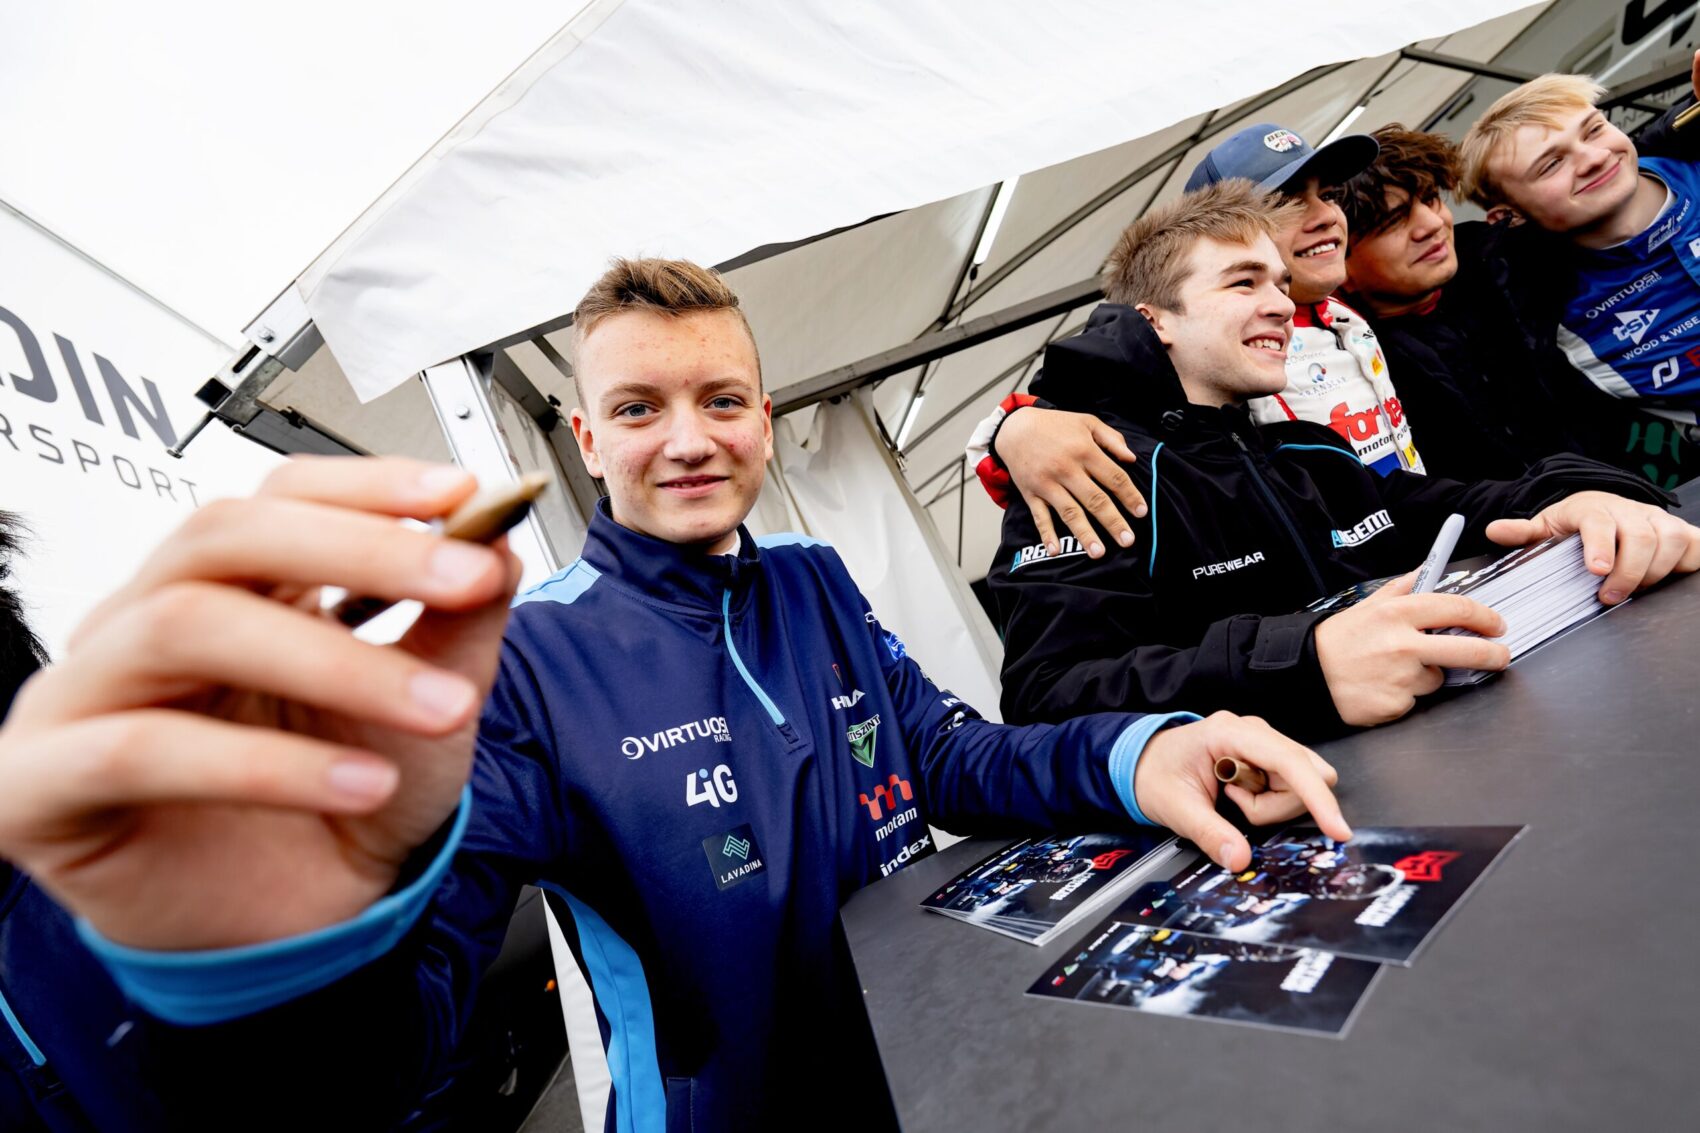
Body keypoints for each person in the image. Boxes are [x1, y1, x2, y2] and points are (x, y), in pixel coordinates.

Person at [0, 259, 1350, 1131]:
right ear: (586, 439)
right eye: (640, 408)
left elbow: (953, 754)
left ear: (764, 416)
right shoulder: (527, 658)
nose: (690, 440)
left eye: (722, 399)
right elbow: (413, 1026)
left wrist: (1140, 753)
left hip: (930, 1074)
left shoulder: (812, 580)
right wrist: (273, 942)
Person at [985, 181, 1699, 736]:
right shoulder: (1092, 471)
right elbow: (1047, 693)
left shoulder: (1307, 452)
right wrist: (1309, 659)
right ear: (1155, 320)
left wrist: (1578, 496)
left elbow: (1454, 503)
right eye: (1243, 282)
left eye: (1279, 283)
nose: (1279, 304)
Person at [968, 120, 1418, 563]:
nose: (1326, 215)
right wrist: (1015, 428)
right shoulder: (1202, 362)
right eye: (1285, 203)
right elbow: (1102, 378)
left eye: (1330, 195)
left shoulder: (1351, 317)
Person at [1339, 124, 1692, 485]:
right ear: (1339, 257)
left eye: (1430, 199)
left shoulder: (1507, 259)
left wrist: (1682, 120)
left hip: (1651, 484)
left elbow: (1608, 166)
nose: (1431, 224)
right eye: (1394, 221)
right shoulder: (1342, 367)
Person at [1460, 72, 1700, 435]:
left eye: (1593, 130)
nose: (1593, 158)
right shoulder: (1543, 322)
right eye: (1551, 164)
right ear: (1509, 216)